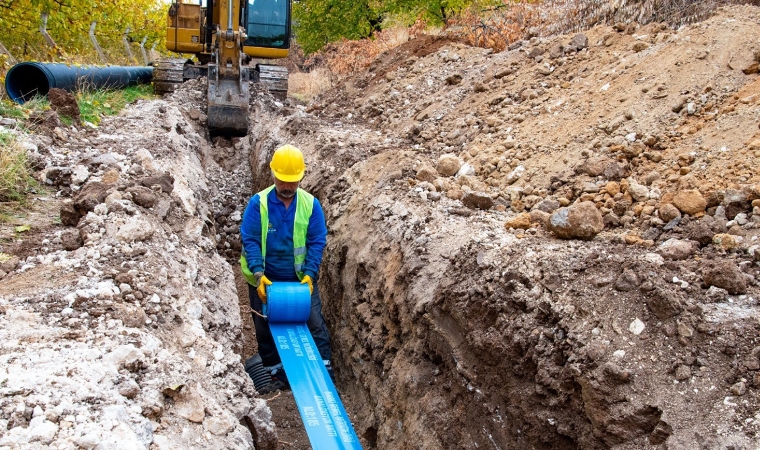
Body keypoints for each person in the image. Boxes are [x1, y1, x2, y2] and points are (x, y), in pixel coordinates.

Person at [239, 144, 333, 393]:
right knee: (264, 325)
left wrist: (310, 275)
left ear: (302, 177)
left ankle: (323, 370)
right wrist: (259, 275)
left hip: (299, 278)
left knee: (314, 322)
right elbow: (250, 240)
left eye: (293, 181)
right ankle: (274, 372)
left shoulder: (311, 205)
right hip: (264, 279)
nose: (287, 186)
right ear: (273, 175)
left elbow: (316, 241)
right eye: (283, 181)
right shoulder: (258, 204)